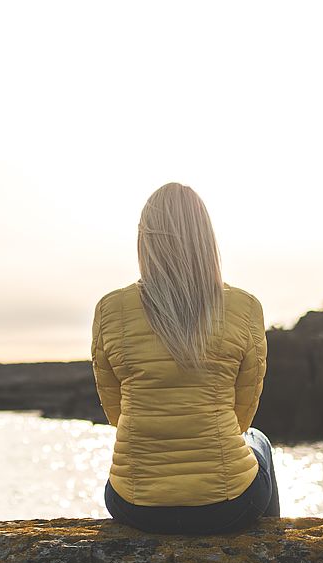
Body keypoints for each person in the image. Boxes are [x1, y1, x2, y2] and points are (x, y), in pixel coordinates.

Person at [91, 182, 280, 535]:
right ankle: (272, 558)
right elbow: (243, 413)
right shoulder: (245, 307)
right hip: (228, 506)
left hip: (133, 505)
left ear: (145, 240)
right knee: (259, 440)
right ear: (204, 239)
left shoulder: (110, 309)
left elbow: (115, 412)